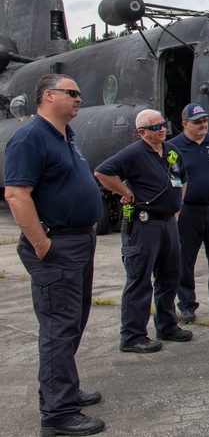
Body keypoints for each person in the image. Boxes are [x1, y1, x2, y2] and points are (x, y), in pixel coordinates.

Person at [5, 75, 106, 436]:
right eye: (72, 93)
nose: (80, 99)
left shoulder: (66, 136)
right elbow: (17, 194)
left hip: (80, 242)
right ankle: (58, 413)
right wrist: (42, 244)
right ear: (48, 96)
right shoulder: (31, 136)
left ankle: (60, 389)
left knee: (72, 323)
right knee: (58, 328)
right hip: (57, 245)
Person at [95, 109, 192, 354]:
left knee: (170, 277)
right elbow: (103, 172)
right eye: (156, 126)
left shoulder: (171, 151)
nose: (162, 129)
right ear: (142, 132)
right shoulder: (134, 153)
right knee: (140, 280)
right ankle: (132, 335)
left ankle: (167, 325)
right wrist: (126, 193)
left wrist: (177, 206)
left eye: (163, 124)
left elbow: (184, 178)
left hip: (169, 223)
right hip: (144, 225)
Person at [166, 102, 209, 323]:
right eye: (197, 122)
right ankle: (186, 305)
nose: (202, 125)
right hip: (188, 211)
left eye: (204, 120)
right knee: (184, 259)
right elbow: (169, 178)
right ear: (184, 124)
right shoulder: (173, 147)